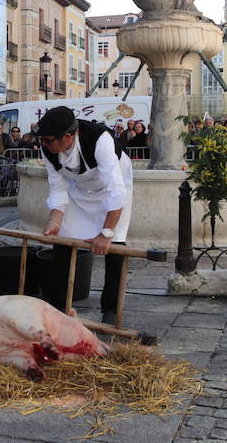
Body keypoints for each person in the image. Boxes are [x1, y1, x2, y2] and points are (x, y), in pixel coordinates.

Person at [38, 107, 132, 325]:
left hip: (113, 186)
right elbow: (58, 187)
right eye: (42, 139)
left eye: (48, 140)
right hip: (79, 189)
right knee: (62, 242)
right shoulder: (48, 149)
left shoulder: (101, 141)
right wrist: (55, 221)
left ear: (68, 136)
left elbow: (116, 191)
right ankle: (59, 305)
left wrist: (107, 232)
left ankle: (110, 311)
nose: (44, 144)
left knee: (116, 248)